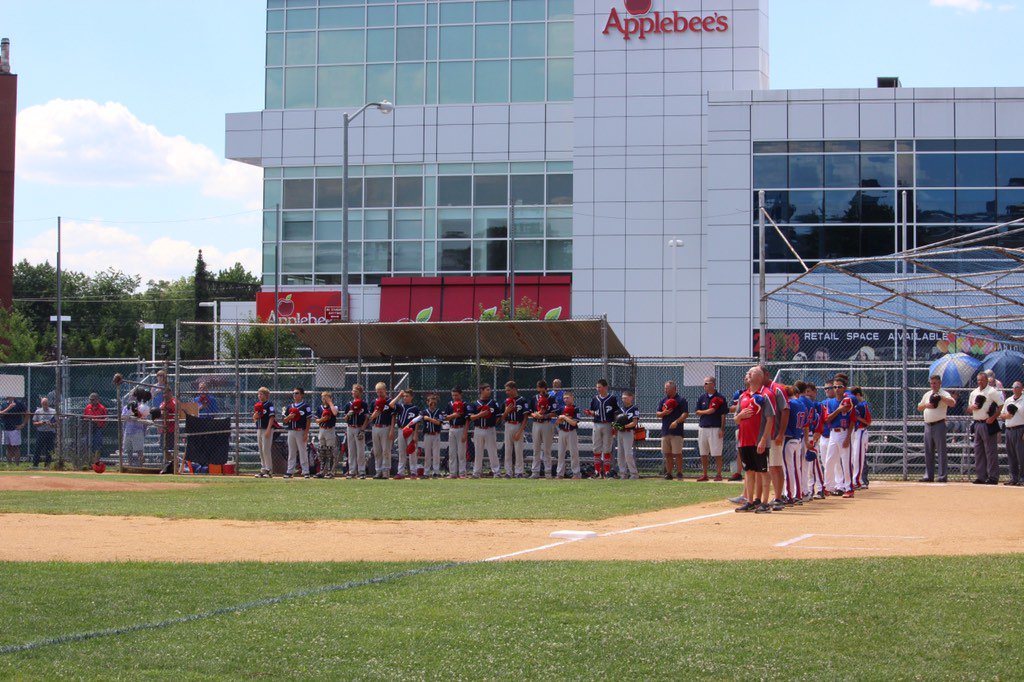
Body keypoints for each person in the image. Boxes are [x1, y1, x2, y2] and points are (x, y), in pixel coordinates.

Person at [734, 366, 775, 513]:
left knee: (763, 471)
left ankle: (764, 502)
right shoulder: (743, 396)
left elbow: (770, 418)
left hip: (758, 440)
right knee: (749, 471)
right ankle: (750, 501)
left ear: (758, 377)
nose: (747, 375)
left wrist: (764, 439)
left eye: (750, 373)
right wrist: (740, 416)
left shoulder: (765, 395)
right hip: (744, 440)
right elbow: (736, 420)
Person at [760, 367, 790, 511]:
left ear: (766, 375)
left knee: (775, 465)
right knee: (766, 467)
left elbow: (785, 410)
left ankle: (778, 497)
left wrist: (781, 433)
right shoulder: (758, 390)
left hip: (774, 433)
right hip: (762, 435)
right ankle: (770, 496)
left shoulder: (777, 389)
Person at [823, 374, 855, 498]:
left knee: (845, 462)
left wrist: (848, 437)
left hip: (843, 432)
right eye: (835, 387)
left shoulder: (848, 401)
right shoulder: (831, 402)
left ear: (844, 388)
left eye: (839, 387)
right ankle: (828, 486)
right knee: (829, 461)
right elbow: (827, 419)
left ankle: (849, 488)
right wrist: (838, 410)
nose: (836, 389)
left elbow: (852, 420)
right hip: (832, 433)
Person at [917, 375, 954, 483]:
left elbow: (952, 403)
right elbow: (919, 407)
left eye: (935, 383)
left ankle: (942, 476)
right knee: (928, 451)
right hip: (928, 425)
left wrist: (941, 397)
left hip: (939, 424)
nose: (933, 385)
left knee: (941, 451)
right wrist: (926, 405)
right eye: (932, 383)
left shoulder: (944, 393)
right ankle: (929, 475)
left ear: (940, 383)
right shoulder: (927, 394)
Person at [968, 371, 1003, 485]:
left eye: (982, 380)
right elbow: (969, 408)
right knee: (978, 451)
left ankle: (993, 477)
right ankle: (981, 476)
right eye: (978, 380)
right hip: (977, 423)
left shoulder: (992, 391)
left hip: (988, 423)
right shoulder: (974, 392)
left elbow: (1001, 405)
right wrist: (972, 407)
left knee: (990, 451)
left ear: (987, 380)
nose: (980, 382)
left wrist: (993, 417)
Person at [694, 377, 727, 481]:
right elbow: (697, 412)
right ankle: (705, 474)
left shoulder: (720, 398)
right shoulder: (702, 397)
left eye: (706, 383)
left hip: (715, 428)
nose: (704, 386)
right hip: (703, 427)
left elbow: (723, 415)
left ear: (713, 384)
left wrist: (722, 429)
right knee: (703, 453)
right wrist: (708, 411)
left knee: (717, 453)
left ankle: (718, 474)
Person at [585, 379, 620, 479]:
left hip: (608, 424)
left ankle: (607, 472)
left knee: (607, 448)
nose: (598, 389)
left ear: (605, 387)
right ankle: (597, 471)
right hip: (597, 424)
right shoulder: (595, 398)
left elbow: (616, 412)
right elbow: (593, 411)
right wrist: (590, 413)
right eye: (597, 387)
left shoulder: (612, 398)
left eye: (600, 387)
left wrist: (615, 425)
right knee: (596, 448)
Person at [656, 381, 688, 480]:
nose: (665, 390)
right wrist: (664, 413)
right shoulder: (663, 400)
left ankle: (679, 473)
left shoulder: (681, 400)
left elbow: (685, 414)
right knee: (667, 454)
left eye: (667, 388)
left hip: (677, 432)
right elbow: (658, 413)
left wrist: (676, 422)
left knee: (677, 453)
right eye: (665, 388)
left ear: (674, 389)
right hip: (665, 431)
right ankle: (669, 473)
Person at [781, 385, 808, 505]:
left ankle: (790, 495)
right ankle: (798, 494)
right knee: (796, 468)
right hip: (798, 437)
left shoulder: (790, 403)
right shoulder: (801, 403)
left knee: (788, 469)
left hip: (789, 439)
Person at [469, 383, 501, 478]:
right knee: (478, 452)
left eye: (489, 389)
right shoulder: (475, 403)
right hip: (478, 429)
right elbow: (471, 417)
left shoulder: (493, 403)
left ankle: (496, 472)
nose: (489, 391)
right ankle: (476, 473)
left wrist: (492, 423)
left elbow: (498, 416)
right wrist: (480, 415)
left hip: (490, 429)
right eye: (487, 389)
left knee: (492, 451)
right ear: (481, 390)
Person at [281, 387, 312, 479]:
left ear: (302, 395)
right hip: (291, 431)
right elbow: (284, 421)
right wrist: (289, 417)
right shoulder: (290, 407)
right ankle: (290, 471)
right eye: (294, 393)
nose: (295, 395)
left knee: (303, 452)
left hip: (300, 431)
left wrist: (306, 433)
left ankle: (305, 471)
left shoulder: (305, 406)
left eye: (297, 393)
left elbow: (308, 420)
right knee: (291, 452)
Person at [501, 381, 529, 478]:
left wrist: (520, 431)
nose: (507, 392)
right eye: (506, 390)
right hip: (508, 424)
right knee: (508, 449)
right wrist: (506, 411)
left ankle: (519, 472)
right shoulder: (506, 401)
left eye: (508, 390)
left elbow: (526, 417)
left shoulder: (522, 400)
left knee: (518, 450)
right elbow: (502, 418)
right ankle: (508, 472)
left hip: (518, 425)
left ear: (514, 389)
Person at [368, 382, 395, 480]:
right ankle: (378, 471)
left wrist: (392, 429)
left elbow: (393, 416)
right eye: (377, 391)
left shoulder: (389, 401)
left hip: (385, 427)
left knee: (386, 450)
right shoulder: (374, 402)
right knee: (377, 451)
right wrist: (373, 415)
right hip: (375, 427)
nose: (379, 393)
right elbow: (371, 416)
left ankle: (385, 471)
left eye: (381, 391)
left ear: (385, 390)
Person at [392, 389, 421, 479]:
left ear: (412, 397)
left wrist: (416, 434)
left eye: (407, 396)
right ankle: (400, 472)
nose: (405, 398)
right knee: (401, 452)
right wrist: (399, 396)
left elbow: (417, 422)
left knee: (412, 451)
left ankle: (413, 472)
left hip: (410, 431)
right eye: (404, 396)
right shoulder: (400, 406)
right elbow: (391, 404)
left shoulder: (415, 408)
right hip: (401, 429)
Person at [529, 380, 555, 479]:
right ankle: (535, 472)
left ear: (546, 389)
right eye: (539, 390)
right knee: (536, 449)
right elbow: (530, 411)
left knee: (547, 449)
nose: (541, 392)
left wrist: (545, 415)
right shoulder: (534, 398)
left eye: (543, 390)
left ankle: (548, 472)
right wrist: (535, 414)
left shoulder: (551, 398)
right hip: (536, 424)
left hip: (547, 423)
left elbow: (554, 412)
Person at [1000, 381, 1024, 486]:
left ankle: (1022, 478)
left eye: (1017, 387)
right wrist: (1008, 415)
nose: (1015, 388)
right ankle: (1013, 478)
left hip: (1020, 429)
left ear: (1022, 388)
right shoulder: (1009, 400)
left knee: (1021, 455)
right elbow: (1002, 414)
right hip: (1009, 429)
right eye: (1013, 387)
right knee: (1011, 455)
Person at [343, 384, 368, 479]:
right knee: (351, 450)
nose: (354, 392)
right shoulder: (348, 404)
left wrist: (362, 430)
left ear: (360, 393)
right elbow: (345, 419)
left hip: (359, 427)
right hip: (350, 427)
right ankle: (352, 471)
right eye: (353, 391)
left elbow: (366, 418)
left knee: (360, 451)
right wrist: (349, 414)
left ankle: (361, 471)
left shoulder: (363, 404)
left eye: (356, 391)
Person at [121, 387, 151, 467]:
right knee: (129, 450)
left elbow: (142, 417)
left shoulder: (141, 407)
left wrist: (132, 417)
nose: (130, 397)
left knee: (139, 450)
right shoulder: (126, 407)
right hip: (128, 431)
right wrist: (131, 417)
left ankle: (141, 465)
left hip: (137, 431)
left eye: (131, 395)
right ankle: (130, 465)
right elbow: (123, 417)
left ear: (135, 397)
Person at [849, 387, 872, 490]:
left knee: (858, 457)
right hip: (854, 432)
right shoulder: (854, 405)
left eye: (853, 395)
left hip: (861, 431)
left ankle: (857, 481)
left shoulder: (863, 405)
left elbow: (868, 422)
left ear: (858, 395)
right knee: (854, 457)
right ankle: (856, 480)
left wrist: (857, 417)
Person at [615, 390, 641, 480]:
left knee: (628, 454)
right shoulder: (620, 409)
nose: (624, 400)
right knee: (620, 454)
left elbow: (634, 423)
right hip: (620, 433)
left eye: (625, 398)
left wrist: (624, 426)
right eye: (623, 398)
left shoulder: (634, 408)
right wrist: (616, 426)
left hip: (628, 433)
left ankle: (634, 474)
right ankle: (623, 474)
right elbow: (616, 422)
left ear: (631, 398)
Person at [555, 391, 581, 479]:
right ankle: (560, 473)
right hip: (562, 432)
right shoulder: (561, 408)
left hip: (571, 432)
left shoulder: (576, 408)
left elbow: (574, 423)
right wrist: (561, 418)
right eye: (564, 398)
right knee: (561, 453)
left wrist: (564, 417)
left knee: (574, 453)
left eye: (567, 398)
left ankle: (576, 473)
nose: (566, 399)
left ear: (572, 398)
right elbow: (557, 422)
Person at [316, 391, 340, 479]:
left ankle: (331, 471)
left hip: (330, 430)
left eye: (326, 397)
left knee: (330, 451)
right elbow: (317, 420)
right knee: (322, 451)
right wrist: (322, 419)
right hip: (322, 429)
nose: (324, 399)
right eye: (323, 398)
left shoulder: (333, 407)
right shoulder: (320, 408)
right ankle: (322, 471)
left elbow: (335, 413)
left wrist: (330, 402)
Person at [445, 387, 469, 479]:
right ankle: (453, 473)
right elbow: (445, 417)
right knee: (452, 452)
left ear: (460, 394)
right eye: (453, 395)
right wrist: (454, 415)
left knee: (461, 452)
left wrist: (465, 433)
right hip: (452, 429)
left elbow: (467, 420)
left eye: (456, 395)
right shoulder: (450, 404)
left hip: (461, 428)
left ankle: (462, 472)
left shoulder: (465, 404)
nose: (454, 397)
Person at [252, 387, 276, 478]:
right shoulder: (258, 405)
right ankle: (263, 468)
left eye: (261, 394)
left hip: (266, 428)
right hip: (259, 428)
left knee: (266, 449)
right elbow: (255, 419)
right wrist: (254, 417)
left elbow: (272, 417)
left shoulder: (269, 404)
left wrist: (269, 429)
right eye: (258, 394)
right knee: (261, 450)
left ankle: (269, 470)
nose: (259, 396)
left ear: (266, 395)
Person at [421, 393, 445, 478]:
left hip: (436, 435)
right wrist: (429, 419)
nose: (433, 405)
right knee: (427, 454)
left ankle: (436, 471)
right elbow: (423, 418)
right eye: (431, 403)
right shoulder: (424, 412)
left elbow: (439, 422)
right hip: (427, 435)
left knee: (436, 454)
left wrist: (429, 419)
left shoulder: (439, 412)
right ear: (427, 402)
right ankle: (426, 472)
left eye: (434, 403)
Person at [1, 395, 27, 464]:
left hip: (15, 429)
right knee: (8, 447)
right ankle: (9, 464)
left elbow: (27, 413)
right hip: (6, 428)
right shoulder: (3, 403)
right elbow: (0, 413)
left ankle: (17, 465)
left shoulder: (19, 403)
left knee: (16, 447)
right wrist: (9, 407)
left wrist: (23, 424)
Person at [31, 397, 56, 467]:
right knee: (38, 448)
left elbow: (56, 423)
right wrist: (41, 423)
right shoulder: (38, 411)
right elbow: (34, 423)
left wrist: (51, 424)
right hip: (41, 432)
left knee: (49, 449)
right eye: (43, 404)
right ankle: (35, 465)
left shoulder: (53, 411)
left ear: (48, 403)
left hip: (50, 432)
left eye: (46, 403)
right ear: (41, 404)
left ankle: (47, 465)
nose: (45, 405)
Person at [83, 393, 108, 460]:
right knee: (87, 443)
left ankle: (96, 460)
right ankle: (88, 459)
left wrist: (98, 423)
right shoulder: (88, 407)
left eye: (93, 400)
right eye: (90, 400)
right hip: (89, 428)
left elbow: (105, 419)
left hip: (98, 428)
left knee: (97, 444)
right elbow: (84, 417)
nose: (91, 401)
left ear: (97, 400)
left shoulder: (102, 408)